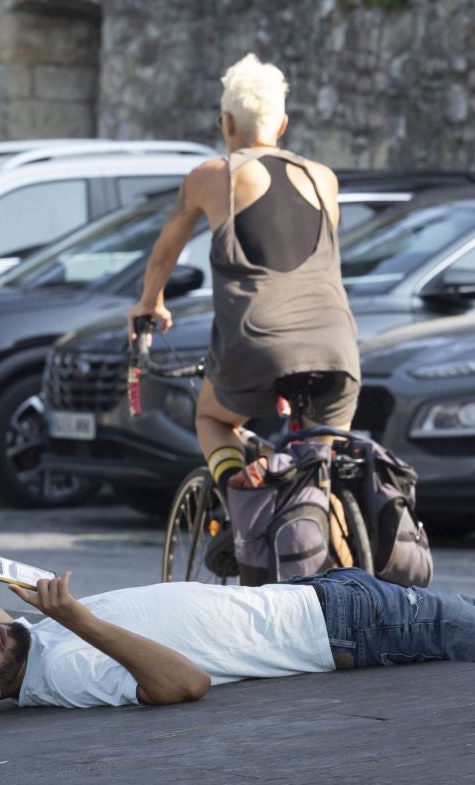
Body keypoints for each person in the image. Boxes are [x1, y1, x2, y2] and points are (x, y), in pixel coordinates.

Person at [0, 563, 475, 721]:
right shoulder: (64, 670)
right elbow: (183, 683)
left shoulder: (28, 642)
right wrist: (77, 618)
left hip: (319, 594)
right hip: (342, 623)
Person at [126, 54, 362, 491]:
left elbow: (162, 256)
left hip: (256, 344)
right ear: (283, 125)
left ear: (227, 124)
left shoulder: (212, 176)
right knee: (318, 472)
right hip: (336, 347)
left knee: (212, 417)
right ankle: (334, 543)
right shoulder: (324, 179)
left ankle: (238, 491)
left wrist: (150, 303)